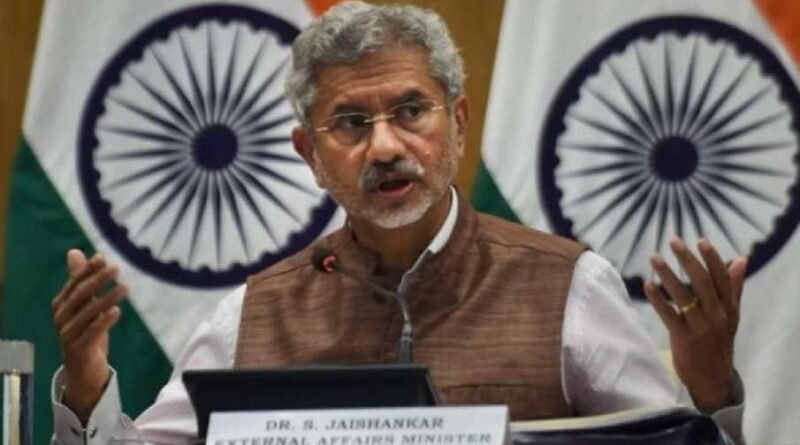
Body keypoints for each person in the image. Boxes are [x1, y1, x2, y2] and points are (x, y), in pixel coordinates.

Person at [50, 2, 746, 444]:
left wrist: (712, 389)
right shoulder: (254, 313)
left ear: (458, 123)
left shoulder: (568, 286)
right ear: (310, 154)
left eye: (411, 111)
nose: (385, 146)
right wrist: (85, 385)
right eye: (351, 122)